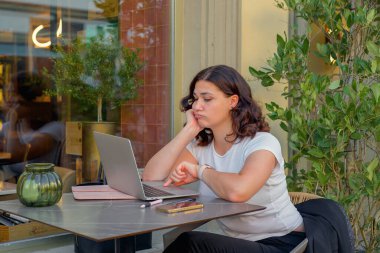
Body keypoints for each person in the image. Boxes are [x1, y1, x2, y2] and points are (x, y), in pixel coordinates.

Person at [143, 65, 305, 252]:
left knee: (190, 244)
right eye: (195, 99)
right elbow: (152, 177)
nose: (196, 106)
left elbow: (239, 191)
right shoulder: (201, 147)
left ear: (233, 101)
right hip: (241, 244)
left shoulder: (262, 144)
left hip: (284, 242)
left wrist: (200, 171)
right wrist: (188, 131)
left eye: (207, 99)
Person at [0, 71, 65, 180]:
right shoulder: (8, 127)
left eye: (12, 94)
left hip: (36, 189)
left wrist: (13, 118)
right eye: (7, 93)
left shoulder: (53, 129)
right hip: (9, 187)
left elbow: (16, 155)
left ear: (31, 101)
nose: (8, 100)